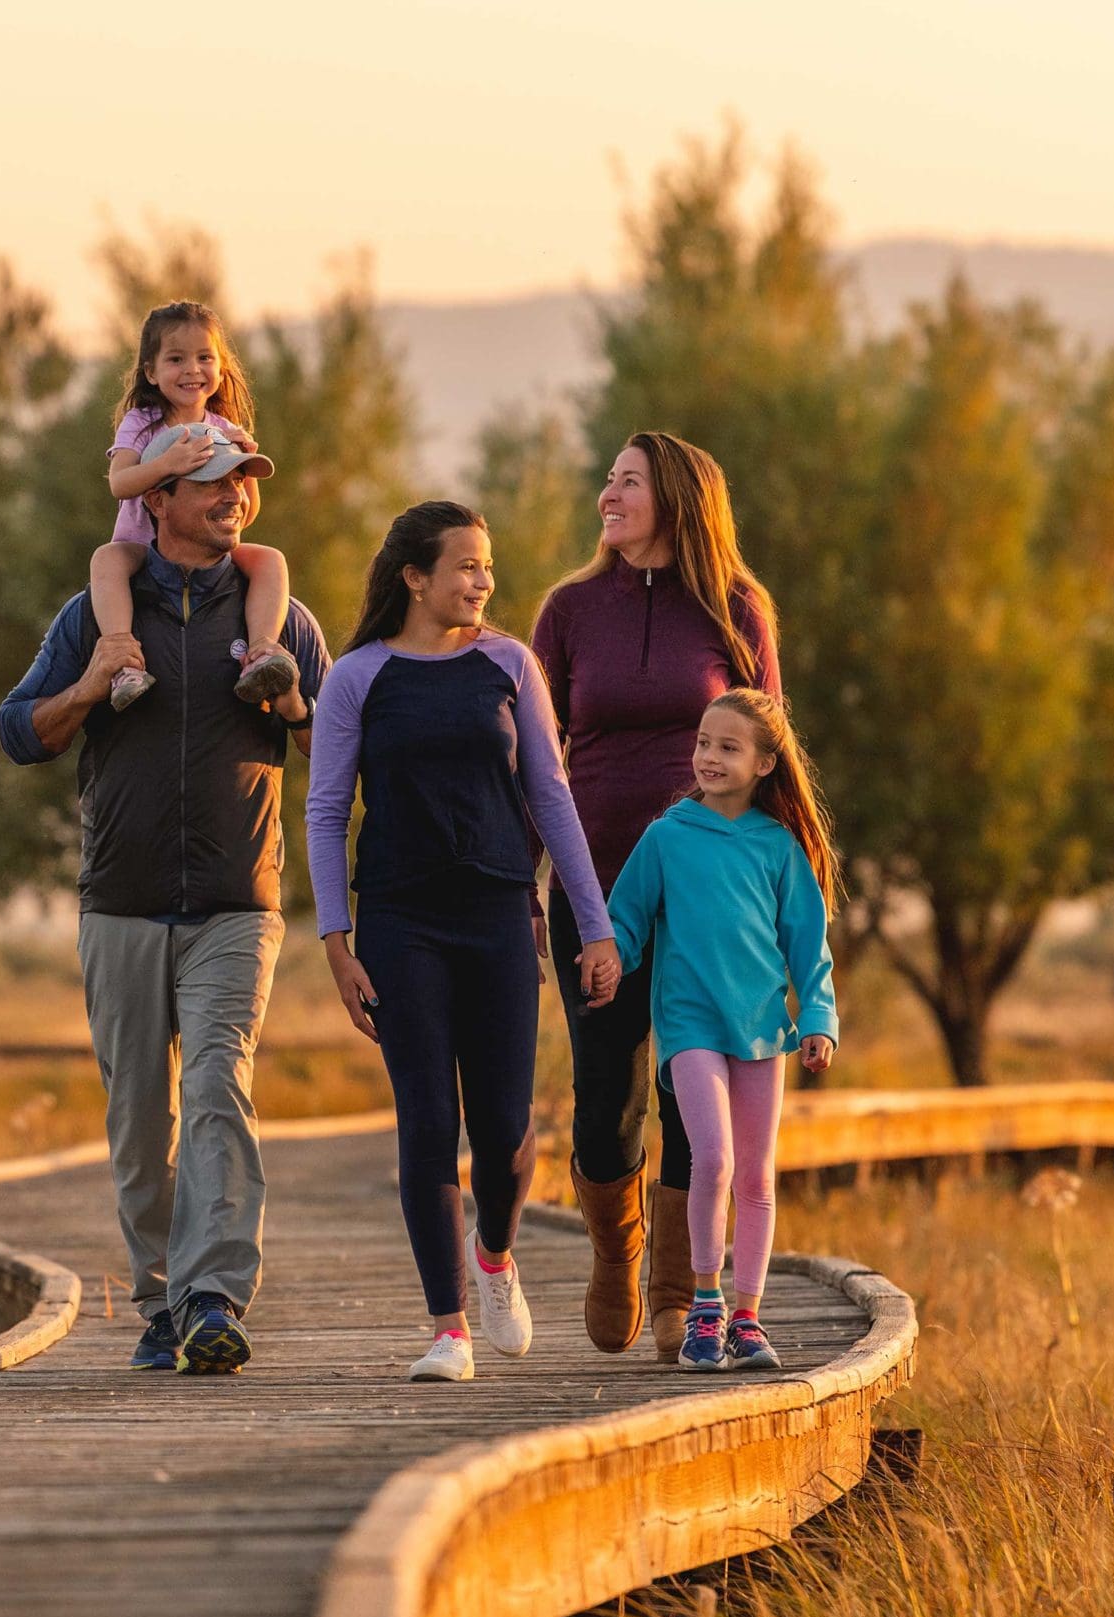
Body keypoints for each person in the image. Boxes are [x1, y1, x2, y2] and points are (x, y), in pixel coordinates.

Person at [0, 424, 328, 1375]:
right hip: (122, 903)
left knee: (219, 1083)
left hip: (237, 901)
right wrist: (92, 688)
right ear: (160, 501)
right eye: (214, 483)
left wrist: (296, 705)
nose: (235, 497)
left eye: (243, 483)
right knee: (143, 1124)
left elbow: (344, 744)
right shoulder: (98, 614)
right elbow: (20, 730)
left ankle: (214, 1294)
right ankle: (160, 1298)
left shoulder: (276, 614)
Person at [306, 501, 619, 1383]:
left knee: (507, 1127)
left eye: (488, 566)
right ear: (415, 576)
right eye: (467, 566)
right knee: (428, 1121)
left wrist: (592, 926)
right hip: (401, 921)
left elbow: (553, 800)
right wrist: (338, 939)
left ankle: (494, 1254)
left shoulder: (510, 665)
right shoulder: (358, 677)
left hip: (497, 915)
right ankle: (449, 1328)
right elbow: (327, 812)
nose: (483, 581)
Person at [529, 430, 783, 1361]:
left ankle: (679, 1294)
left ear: (674, 498)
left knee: (694, 1094)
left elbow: (771, 751)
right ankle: (616, 1255)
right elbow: (532, 755)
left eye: (626, 481)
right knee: (604, 1094)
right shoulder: (567, 610)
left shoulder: (737, 611)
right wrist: (527, 871)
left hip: (707, 894)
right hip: (594, 886)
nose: (607, 494)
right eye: (606, 479)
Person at [599, 688, 840, 1373]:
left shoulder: (780, 847)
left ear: (765, 763)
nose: (708, 756)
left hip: (764, 1030)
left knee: (758, 1177)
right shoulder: (668, 836)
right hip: (690, 1025)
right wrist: (609, 956)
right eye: (704, 742)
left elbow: (808, 947)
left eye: (727, 747)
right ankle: (704, 1308)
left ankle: (747, 1317)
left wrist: (818, 1020)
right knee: (715, 1160)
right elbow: (628, 918)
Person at [93, 300, 299, 712]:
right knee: (107, 560)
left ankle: (261, 653)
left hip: (206, 546)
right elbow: (120, 483)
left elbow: (246, 511)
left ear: (221, 367)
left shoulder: (224, 428)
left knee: (270, 560)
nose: (192, 369)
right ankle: (123, 659)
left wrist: (244, 467)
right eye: (176, 359)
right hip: (143, 545)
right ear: (151, 372)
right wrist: (167, 464)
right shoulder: (142, 421)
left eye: (205, 357)